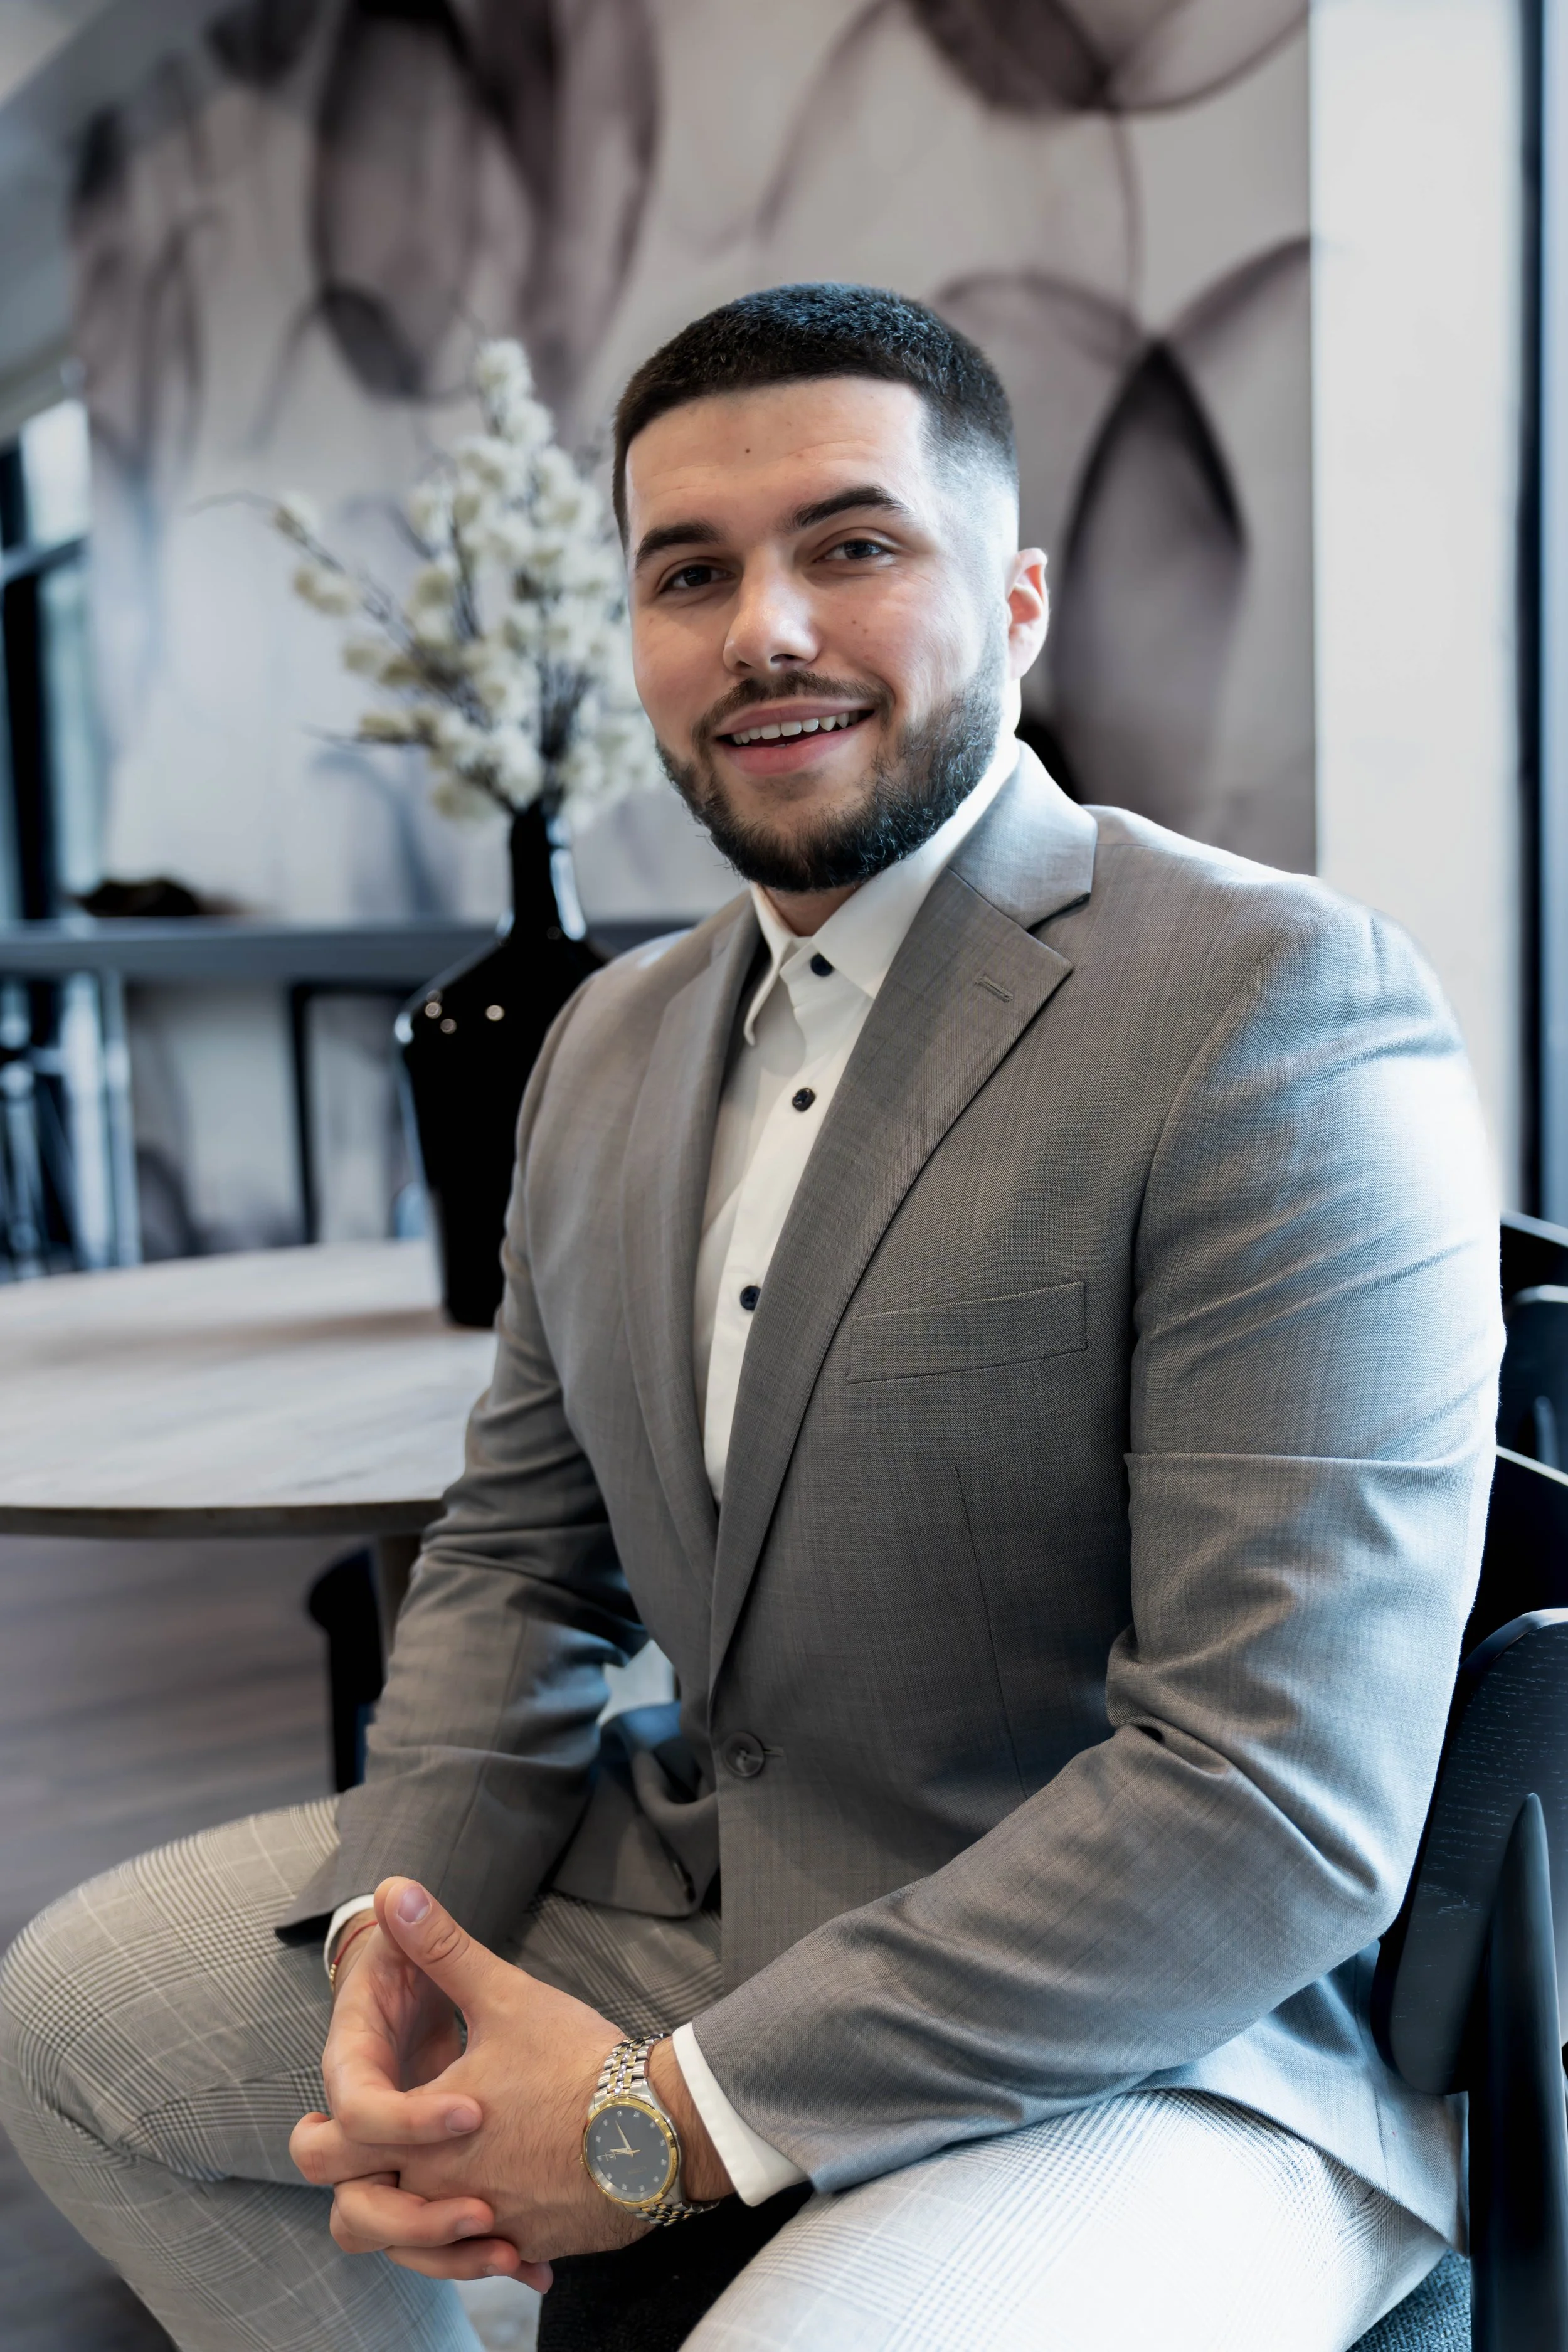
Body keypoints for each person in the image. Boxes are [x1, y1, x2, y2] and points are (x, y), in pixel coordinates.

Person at [0, 284, 1501, 2352]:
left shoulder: (1275, 1007)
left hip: (1171, 2028)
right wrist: (396, 1929)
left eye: (852, 545)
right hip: (716, 1886)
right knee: (73, 2015)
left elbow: (1271, 1796)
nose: (763, 628)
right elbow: (523, 1564)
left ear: (1019, 595)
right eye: (688, 571)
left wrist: (653, 2128)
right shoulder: (608, 1039)